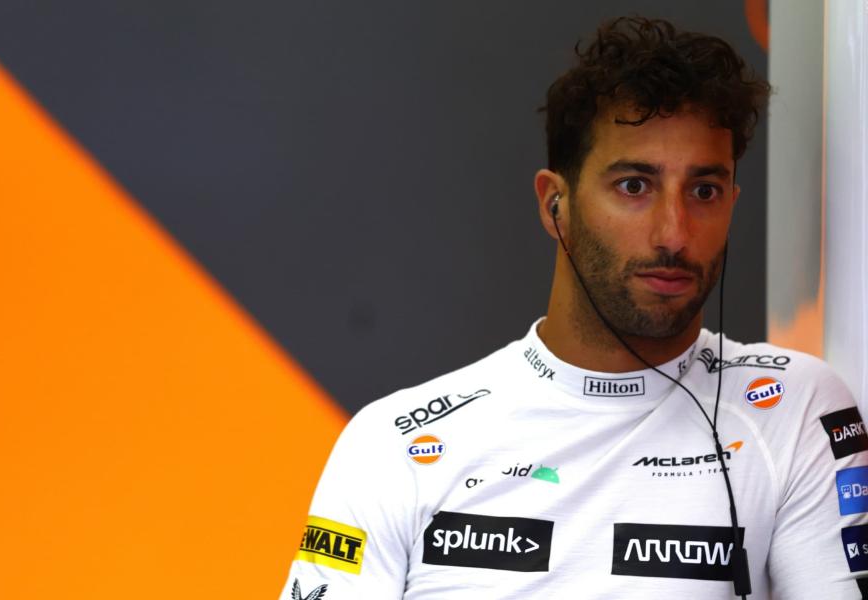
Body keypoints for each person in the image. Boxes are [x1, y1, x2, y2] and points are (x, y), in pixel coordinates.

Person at [279, 17, 868, 599]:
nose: (674, 232)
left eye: (704, 191)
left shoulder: (796, 412)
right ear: (554, 204)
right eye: (635, 186)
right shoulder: (395, 444)